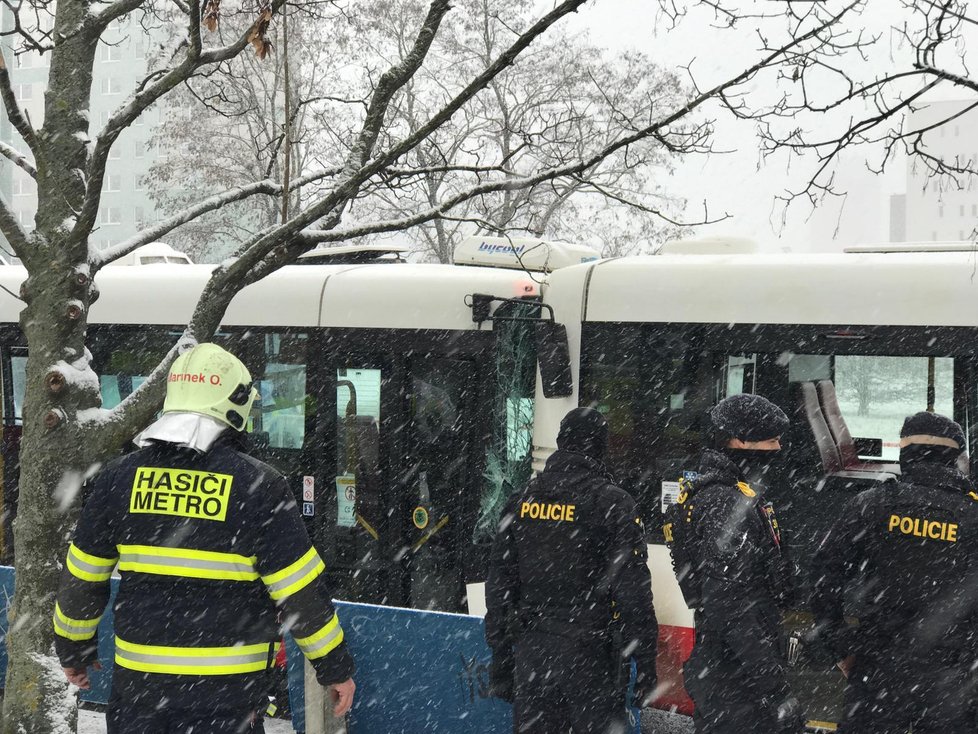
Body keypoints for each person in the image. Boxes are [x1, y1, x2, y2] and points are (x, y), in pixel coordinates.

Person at [54, 343, 355, 733]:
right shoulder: (259, 486)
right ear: (236, 404)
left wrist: (74, 648)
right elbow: (300, 593)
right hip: (227, 702)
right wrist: (335, 668)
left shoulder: (118, 478)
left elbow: (82, 579)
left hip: (139, 698)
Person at [485, 407, 657, 734]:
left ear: (561, 442)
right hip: (592, 659)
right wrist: (646, 667)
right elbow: (633, 594)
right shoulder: (613, 504)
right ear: (602, 449)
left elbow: (498, 588)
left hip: (533, 656)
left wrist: (501, 659)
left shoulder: (521, 501)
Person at [811, 411, 978, 733]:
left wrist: (839, 646)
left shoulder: (871, 504)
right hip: (956, 675)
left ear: (905, 454)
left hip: (879, 668)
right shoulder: (972, 514)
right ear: (957, 457)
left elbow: (824, 576)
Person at [665, 393, 801, 734]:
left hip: (732, 671)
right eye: (771, 440)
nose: (778, 448)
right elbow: (729, 608)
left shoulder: (731, 492)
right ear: (739, 440)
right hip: (733, 680)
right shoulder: (724, 504)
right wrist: (777, 690)